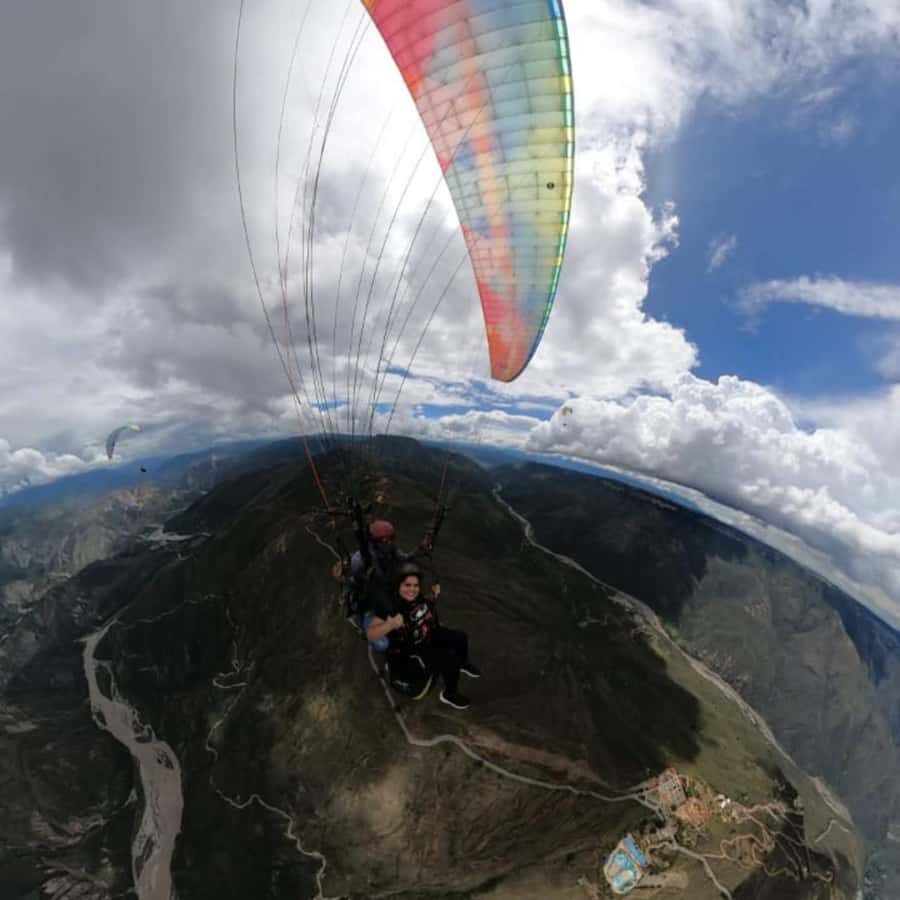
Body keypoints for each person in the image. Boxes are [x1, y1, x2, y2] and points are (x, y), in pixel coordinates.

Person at [365, 562, 481, 710]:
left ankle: (463, 664)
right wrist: (390, 625)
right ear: (398, 586)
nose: (412, 589)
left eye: (415, 585)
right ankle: (449, 694)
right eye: (407, 585)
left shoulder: (417, 598)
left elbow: (425, 605)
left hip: (426, 635)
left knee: (460, 637)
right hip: (411, 651)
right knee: (449, 659)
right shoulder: (392, 608)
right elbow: (371, 633)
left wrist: (433, 595)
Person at [345, 519, 428, 634]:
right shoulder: (360, 560)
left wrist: (419, 551)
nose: (389, 544)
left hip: (385, 588)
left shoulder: (391, 550)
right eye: (384, 541)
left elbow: (405, 559)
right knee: (382, 642)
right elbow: (357, 583)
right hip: (367, 597)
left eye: (391, 539)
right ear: (375, 542)